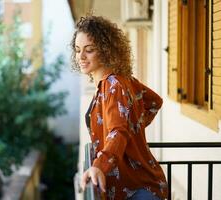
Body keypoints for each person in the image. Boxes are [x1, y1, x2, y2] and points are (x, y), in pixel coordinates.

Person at [70, 15, 168, 200]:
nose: (81, 57)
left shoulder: (113, 85)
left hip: (138, 189)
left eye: (89, 50)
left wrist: (99, 165)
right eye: (77, 50)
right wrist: (131, 130)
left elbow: (118, 130)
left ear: (106, 51)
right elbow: (154, 102)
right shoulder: (121, 80)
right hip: (136, 186)